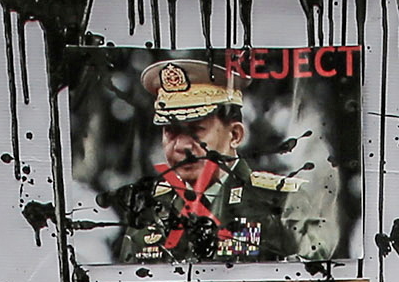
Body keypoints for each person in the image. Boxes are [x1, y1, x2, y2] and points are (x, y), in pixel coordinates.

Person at [114, 58, 296, 264]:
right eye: (171, 132)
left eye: (196, 131)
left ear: (235, 135)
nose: (181, 146)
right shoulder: (150, 208)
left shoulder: (279, 202)